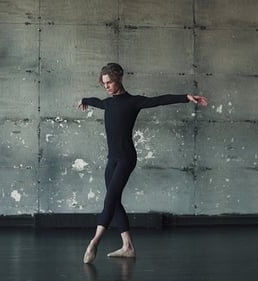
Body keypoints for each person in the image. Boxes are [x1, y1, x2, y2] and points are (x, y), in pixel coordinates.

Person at [77, 63, 208, 264]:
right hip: (111, 160)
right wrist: (84, 100)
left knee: (110, 199)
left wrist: (186, 97)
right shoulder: (108, 103)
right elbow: (96, 101)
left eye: (109, 82)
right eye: (104, 84)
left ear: (119, 79)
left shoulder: (133, 102)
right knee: (114, 200)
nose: (107, 86)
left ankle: (94, 242)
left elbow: (159, 100)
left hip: (126, 158)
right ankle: (128, 247)